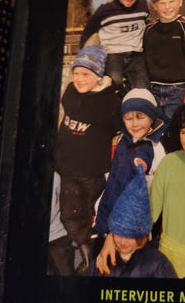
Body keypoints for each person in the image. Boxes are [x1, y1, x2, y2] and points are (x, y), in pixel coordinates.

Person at [96, 102, 185, 279]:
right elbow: (147, 213)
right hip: (166, 262)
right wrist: (113, 236)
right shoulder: (169, 163)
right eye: (184, 132)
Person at [54, 45, 122, 273]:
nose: (79, 79)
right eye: (76, 73)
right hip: (67, 167)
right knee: (71, 213)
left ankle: (91, 250)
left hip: (92, 170)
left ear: (99, 76)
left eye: (86, 74)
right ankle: (85, 248)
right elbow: (68, 109)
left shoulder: (109, 101)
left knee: (87, 213)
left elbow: (116, 125)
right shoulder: (70, 92)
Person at [94, 88, 165, 237]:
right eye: (128, 118)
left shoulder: (155, 146)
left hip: (134, 208)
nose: (134, 124)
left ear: (151, 117)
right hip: (111, 196)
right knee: (104, 232)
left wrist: (143, 166)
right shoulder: (122, 138)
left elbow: (157, 180)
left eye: (140, 117)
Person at [87, 167, 177, 278]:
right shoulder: (103, 260)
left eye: (130, 236)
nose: (123, 242)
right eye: (119, 234)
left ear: (141, 235)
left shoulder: (158, 264)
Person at [79, 0, 149, 92]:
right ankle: (119, 96)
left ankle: (132, 95)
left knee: (143, 86)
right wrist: (83, 52)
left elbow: (145, 24)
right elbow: (88, 30)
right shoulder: (105, 10)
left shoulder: (142, 5)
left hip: (136, 53)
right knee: (114, 81)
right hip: (113, 54)